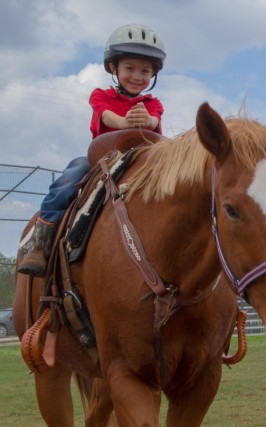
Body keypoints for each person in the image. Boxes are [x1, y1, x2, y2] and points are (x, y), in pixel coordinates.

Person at [18, 23, 166, 277]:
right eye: (129, 68)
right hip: (104, 159)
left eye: (145, 71)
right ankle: (42, 238)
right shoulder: (100, 95)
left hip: (143, 160)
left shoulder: (152, 103)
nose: (137, 76)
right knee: (71, 175)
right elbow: (106, 117)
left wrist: (147, 120)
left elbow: (154, 122)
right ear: (113, 68)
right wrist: (127, 122)